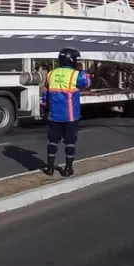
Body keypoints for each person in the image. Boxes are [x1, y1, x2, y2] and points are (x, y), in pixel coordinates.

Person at [41, 47, 90, 177]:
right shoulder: (75, 75)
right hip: (70, 116)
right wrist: (82, 71)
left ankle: (50, 168)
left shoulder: (51, 74)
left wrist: (45, 108)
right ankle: (68, 169)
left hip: (54, 115)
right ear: (72, 60)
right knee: (70, 142)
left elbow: (46, 94)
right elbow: (87, 82)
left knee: (52, 141)